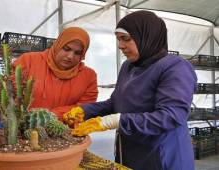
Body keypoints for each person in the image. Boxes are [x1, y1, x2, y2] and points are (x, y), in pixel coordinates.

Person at [63, 11, 197, 170]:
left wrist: (114, 121)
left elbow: (171, 116)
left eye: (126, 39)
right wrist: (84, 111)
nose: (120, 45)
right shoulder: (129, 66)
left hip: (162, 155)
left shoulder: (174, 67)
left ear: (147, 36)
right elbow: (115, 103)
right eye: (118, 39)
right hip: (130, 151)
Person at [12, 27, 98, 120]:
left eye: (77, 53)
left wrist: (51, 116)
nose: (70, 56)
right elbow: (11, 94)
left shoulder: (88, 76)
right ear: (58, 45)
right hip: (23, 128)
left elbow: (85, 109)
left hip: (66, 132)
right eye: (66, 49)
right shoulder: (28, 61)